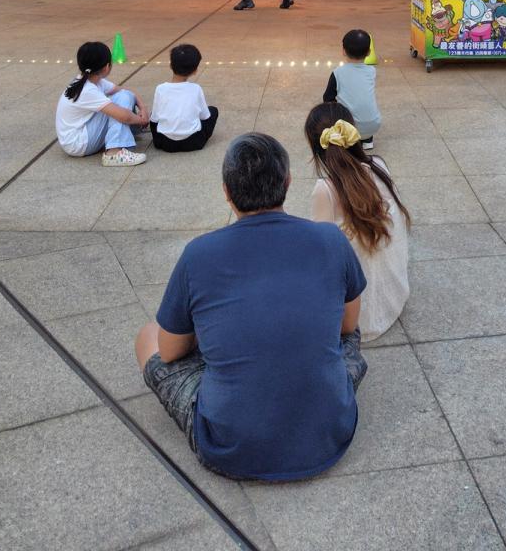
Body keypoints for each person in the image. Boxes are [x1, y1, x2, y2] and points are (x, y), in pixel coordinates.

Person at [134, 133, 367, 481]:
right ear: (287, 182)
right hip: (330, 431)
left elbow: (169, 351)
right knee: (340, 336)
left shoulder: (198, 254)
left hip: (229, 446)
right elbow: (348, 328)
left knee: (149, 336)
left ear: (226, 192)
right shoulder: (330, 238)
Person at [306, 103, 410, 342]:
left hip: (354, 318)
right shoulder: (378, 166)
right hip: (392, 297)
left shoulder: (325, 190)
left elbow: (320, 254)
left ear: (315, 147)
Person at [55, 41, 149, 167]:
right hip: (78, 144)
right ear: (106, 67)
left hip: (78, 138)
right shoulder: (88, 90)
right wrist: (141, 120)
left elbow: (125, 91)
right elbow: (124, 116)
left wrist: (143, 108)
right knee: (121, 104)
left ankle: (125, 135)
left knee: (124, 96)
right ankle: (114, 152)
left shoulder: (90, 80)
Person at [149, 44, 219, 153]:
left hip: (165, 143)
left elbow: (154, 119)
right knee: (213, 110)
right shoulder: (196, 89)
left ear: (170, 65)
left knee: (153, 115)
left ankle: (160, 138)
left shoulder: (160, 89)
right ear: (195, 70)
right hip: (194, 142)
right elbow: (205, 116)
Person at [323, 28, 381, 150]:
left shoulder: (338, 73)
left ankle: (349, 140)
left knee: (330, 109)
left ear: (343, 51)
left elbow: (327, 99)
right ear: (369, 52)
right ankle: (367, 140)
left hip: (349, 128)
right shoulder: (371, 71)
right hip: (373, 125)